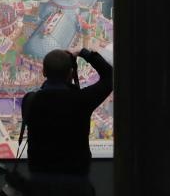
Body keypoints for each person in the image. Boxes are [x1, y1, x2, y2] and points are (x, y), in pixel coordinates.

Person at [22, 48, 113, 195]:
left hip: (39, 186)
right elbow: (110, 77)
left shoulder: (30, 101)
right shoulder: (81, 101)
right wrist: (84, 53)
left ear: (44, 72)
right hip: (76, 186)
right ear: (71, 73)